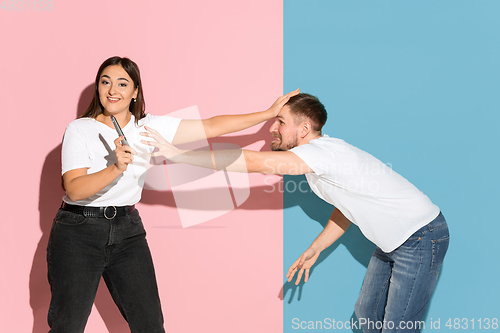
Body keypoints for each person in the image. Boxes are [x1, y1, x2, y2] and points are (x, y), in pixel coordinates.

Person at [141, 93, 450, 333]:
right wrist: (316, 247)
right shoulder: (322, 158)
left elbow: (255, 163)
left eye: (280, 122)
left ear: (303, 129)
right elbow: (348, 206)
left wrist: (179, 154)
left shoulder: (318, 155)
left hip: (420, 236)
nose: (273, 128)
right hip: (393, 241)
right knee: (366, 315)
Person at [47, 55, 299, 332]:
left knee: (150, 325)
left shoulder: (148, 127)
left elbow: (212, 126)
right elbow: (74, 187)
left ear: (135, 92)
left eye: (122, 83)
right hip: (78, 232)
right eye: (105, 82)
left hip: (127, 230)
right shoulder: (80, 129)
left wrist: (267, 113)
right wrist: (115, 167)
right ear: (97, 88)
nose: (112, 90)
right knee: (67, 326)